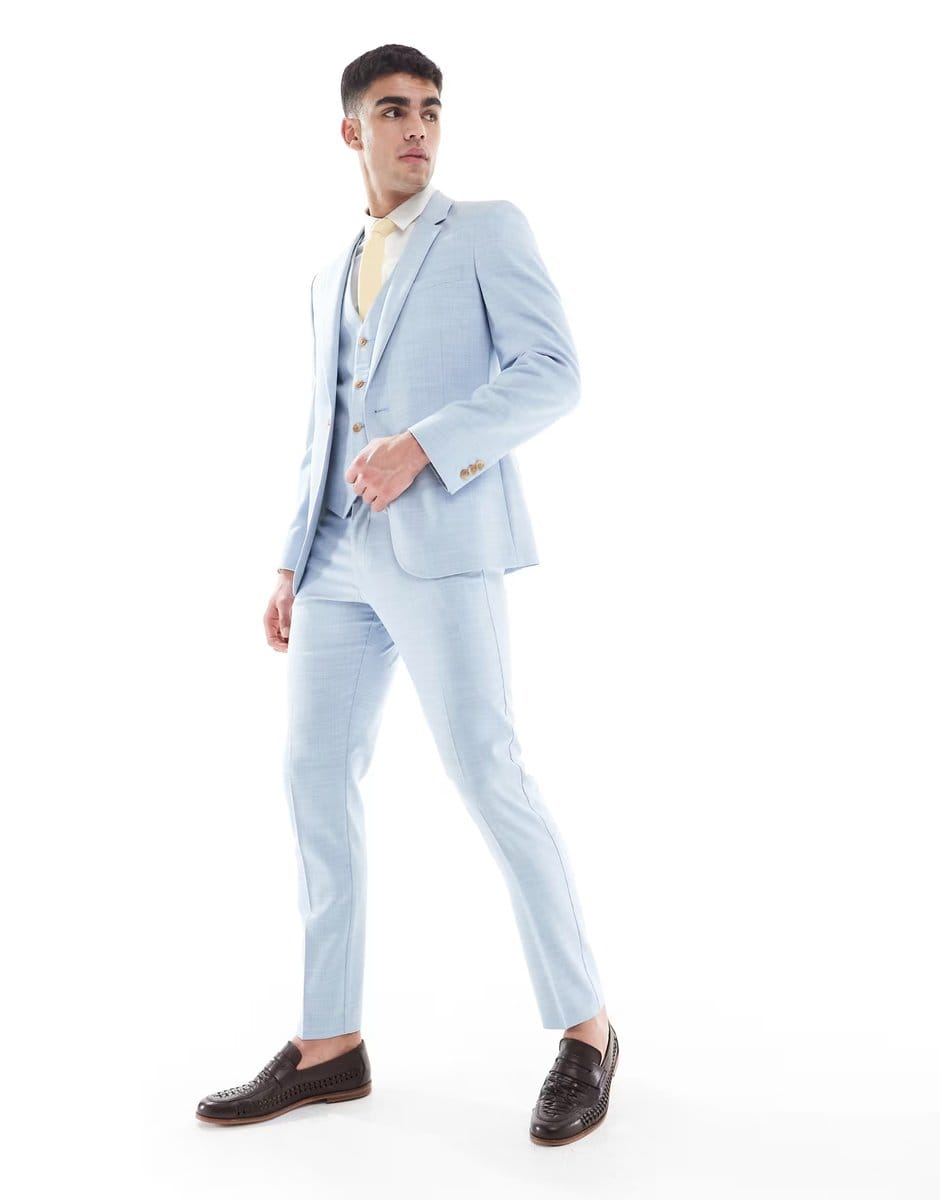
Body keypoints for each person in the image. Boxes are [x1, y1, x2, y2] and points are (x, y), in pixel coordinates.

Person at [195, 43, 617, 1146]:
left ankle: (586, 1030)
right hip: (336, 559)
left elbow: (554, 373)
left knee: (486, 771)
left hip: (443, 547)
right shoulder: (328, 272)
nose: (417, 126)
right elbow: (323, 426)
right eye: (393, 110)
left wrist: (426, 445)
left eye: (430, 108)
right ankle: (328, 1045)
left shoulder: (485, 231)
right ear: (353, 131)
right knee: (312, 779)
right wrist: (290, 559)